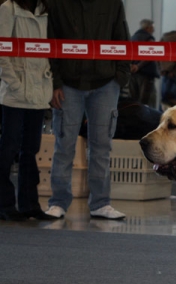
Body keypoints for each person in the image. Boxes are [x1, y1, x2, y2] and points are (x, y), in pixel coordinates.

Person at [44, 0, 130, 220]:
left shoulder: (113, 3)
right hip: (68, 85)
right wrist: (54, 83)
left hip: (106, 83)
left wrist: (120, 77)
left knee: (102, 146)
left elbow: (122, 38)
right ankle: (58, 202)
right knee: (64, 145)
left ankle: (101, 203)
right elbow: (49, 42)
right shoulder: (57, 4)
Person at [0, 0, 55, 221]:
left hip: (39, 92)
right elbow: (2, 50)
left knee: (31, 149)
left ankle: (29, 204)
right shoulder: (8, 8)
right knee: (8, 149)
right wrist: (14, 83)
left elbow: (51, 48)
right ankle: (5, 204)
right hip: (14, 93)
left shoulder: (46, 10)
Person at [130, 19, 160, 107]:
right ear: (148, 28)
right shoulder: (148, 38)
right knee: (149, 101)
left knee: (134, 101)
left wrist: (133, 66)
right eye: (152, 27)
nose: (153, 30)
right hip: (146, 74)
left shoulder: (133, 37)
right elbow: (150, 55)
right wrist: (138, 66)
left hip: (133, 74)